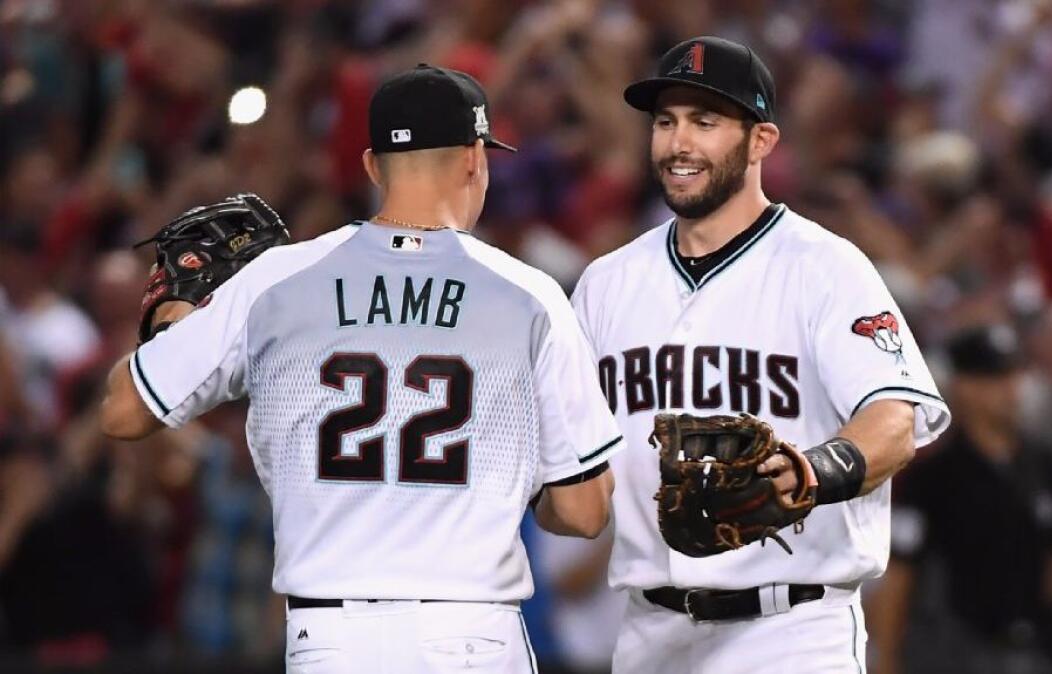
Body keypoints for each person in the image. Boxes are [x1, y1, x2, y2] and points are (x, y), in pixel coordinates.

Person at [98, 63, 623, 674]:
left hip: (329, 637)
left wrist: (175, 318)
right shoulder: (529, 293)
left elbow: (122, 412)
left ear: (373, 166)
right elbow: (585, 513)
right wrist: (516, 486)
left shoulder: (275, 280)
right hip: (471, 635)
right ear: (476, 159)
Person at [570, 36, 952, 674]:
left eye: (705, 121)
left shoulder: (826, 267)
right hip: (648, 632)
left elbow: (897, 420)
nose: (678, 143)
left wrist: (814, 471)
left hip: (791, 632)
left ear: (761, 142)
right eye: (665, 122)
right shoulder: (606, 284)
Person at [866, 325, 1052, 674]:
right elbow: (900, 576)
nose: (1011, 390)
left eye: (1014, 375)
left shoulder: (1040, 462)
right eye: (996, 379)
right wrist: (886, 659)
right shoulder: (933, 477)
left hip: (1029, 646)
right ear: (965, 387)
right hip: (951, 652)